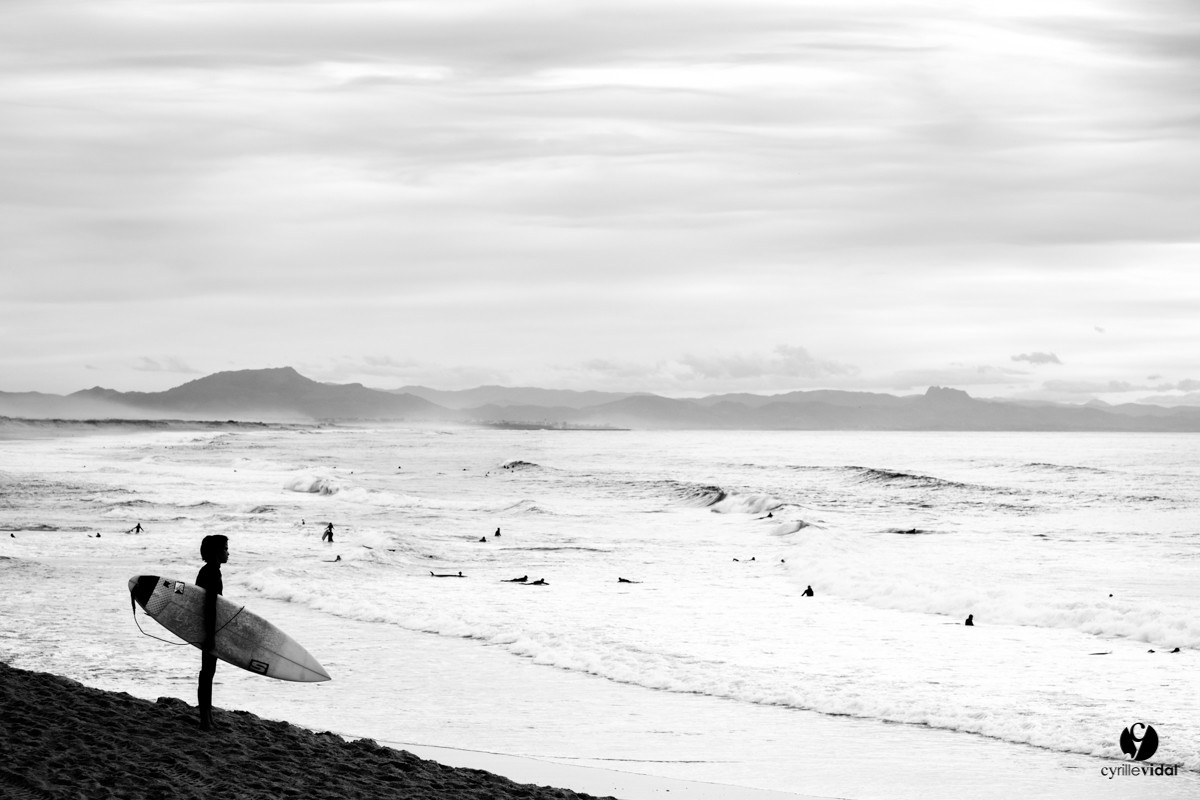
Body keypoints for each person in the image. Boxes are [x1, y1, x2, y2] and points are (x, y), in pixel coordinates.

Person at [196, 534, 228, 731]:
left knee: (207, 672)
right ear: (217, 552)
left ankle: (206, 716)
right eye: (225, 548)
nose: (228, 552)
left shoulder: (207, 570)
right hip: (208, 629)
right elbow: (209, 606)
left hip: (205, 628)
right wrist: (210, 635)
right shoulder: (212, 573)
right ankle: (204, 719)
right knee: (207, 673)